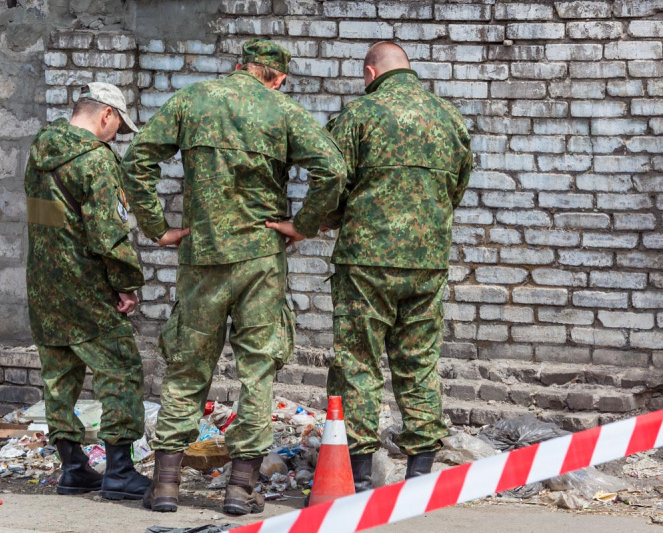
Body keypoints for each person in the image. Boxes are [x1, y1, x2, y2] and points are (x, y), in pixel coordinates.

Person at [122, 38, 345, 515]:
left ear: (239, 66)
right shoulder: (283, 111)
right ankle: (240, 489)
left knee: (186, 365)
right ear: (278, 77)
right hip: (260, 261)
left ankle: (165, 487)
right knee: (258, 369)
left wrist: (157, 227)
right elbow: (333, 169)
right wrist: (302, 226)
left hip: (202, 258)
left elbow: (136, 160)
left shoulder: (190, 100)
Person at [323, 42, 472, 490]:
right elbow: (458, 185)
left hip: (366, 262)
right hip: (426, 264)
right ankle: (421, 474)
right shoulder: (450, 118)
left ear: (371, 73)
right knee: (419, 362)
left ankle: (361, 474)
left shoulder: (359, 115)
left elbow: (331, 179)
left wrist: (324, 220)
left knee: (358, 361)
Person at [24, 82, 151, 500]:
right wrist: (127, 284)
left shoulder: (39, 152)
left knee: (59, 377)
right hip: (86, 288)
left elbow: (46, 219)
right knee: (121, 370)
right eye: (118, 127)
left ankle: (73, 468)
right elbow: (108, 234)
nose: (117, 136)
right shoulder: (96, 161)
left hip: (44, 287)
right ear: (106, 116)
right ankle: (119, 473)